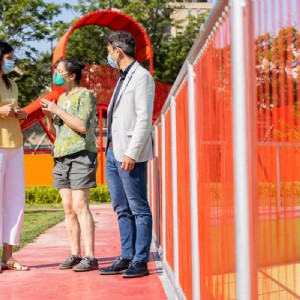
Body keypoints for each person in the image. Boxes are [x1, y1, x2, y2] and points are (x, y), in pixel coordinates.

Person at [99, 31, 154, 278]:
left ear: (118, 51)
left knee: (138, 208)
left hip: (128, 154)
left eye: (109, 51)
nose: (109, 55)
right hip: (113, 151)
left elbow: (144, 118)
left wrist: (131, 153)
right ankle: (127, 255)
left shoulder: (141, 78)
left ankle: (140, 260)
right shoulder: (122, 79)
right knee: (121, 208)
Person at [41, 57, 98, 272]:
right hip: (61, 156)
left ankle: (90, 257)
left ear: (72, 75)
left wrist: (57, 111)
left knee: (80, 205)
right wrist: (49, 117)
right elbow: (58, 133)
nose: (56, 73)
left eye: (59, 70)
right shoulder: (61, 98)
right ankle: (75, 253)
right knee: (67, 208)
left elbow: (82, 127)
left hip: (82, 154)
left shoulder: (85, 96)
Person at [0, 41, 29, 273]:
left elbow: (16, 110)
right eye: (9, 57)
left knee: (15, 201)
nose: (12, 60)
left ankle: (8, 256)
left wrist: (22, 113)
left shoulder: (11, 84)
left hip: (15, 145)